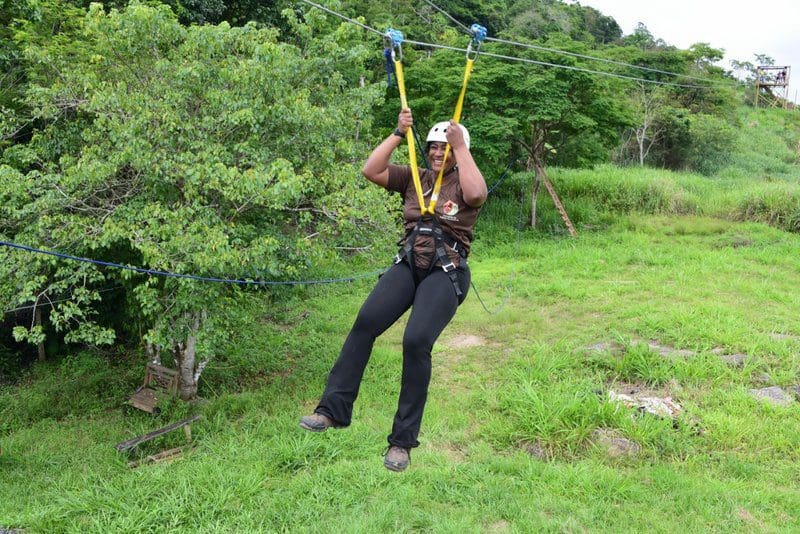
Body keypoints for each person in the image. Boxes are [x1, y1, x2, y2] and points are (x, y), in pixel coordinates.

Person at [299, 108, 487, 472]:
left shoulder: (464, 181)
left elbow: (478, 195)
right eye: (432, 147)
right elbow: (371, 170)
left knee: (416, 341)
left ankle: (402, 442)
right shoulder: (413, 177)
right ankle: (331, 411)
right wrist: (398, 133)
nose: (436, 153)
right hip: (409, 264)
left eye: (442, 148)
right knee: (366, 321)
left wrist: (460, 147)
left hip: (445, 271)